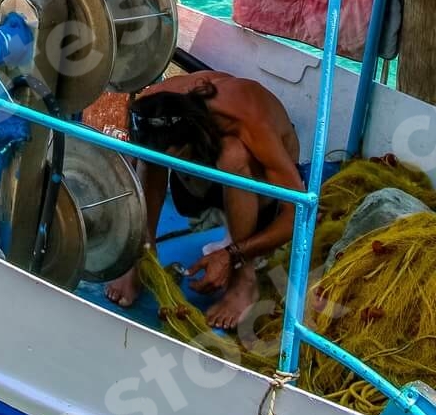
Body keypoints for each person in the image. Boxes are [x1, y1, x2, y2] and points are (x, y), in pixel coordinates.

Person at [105, 71, 304, 331]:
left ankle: (244, 280)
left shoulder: (251, 118)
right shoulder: (154, 102)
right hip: (196, 183)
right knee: (151, 153)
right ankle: (142, 254)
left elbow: (297, 215)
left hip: (262, 196)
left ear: (195, 136)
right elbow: (134, 166)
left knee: (233, 153)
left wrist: (232, 255)